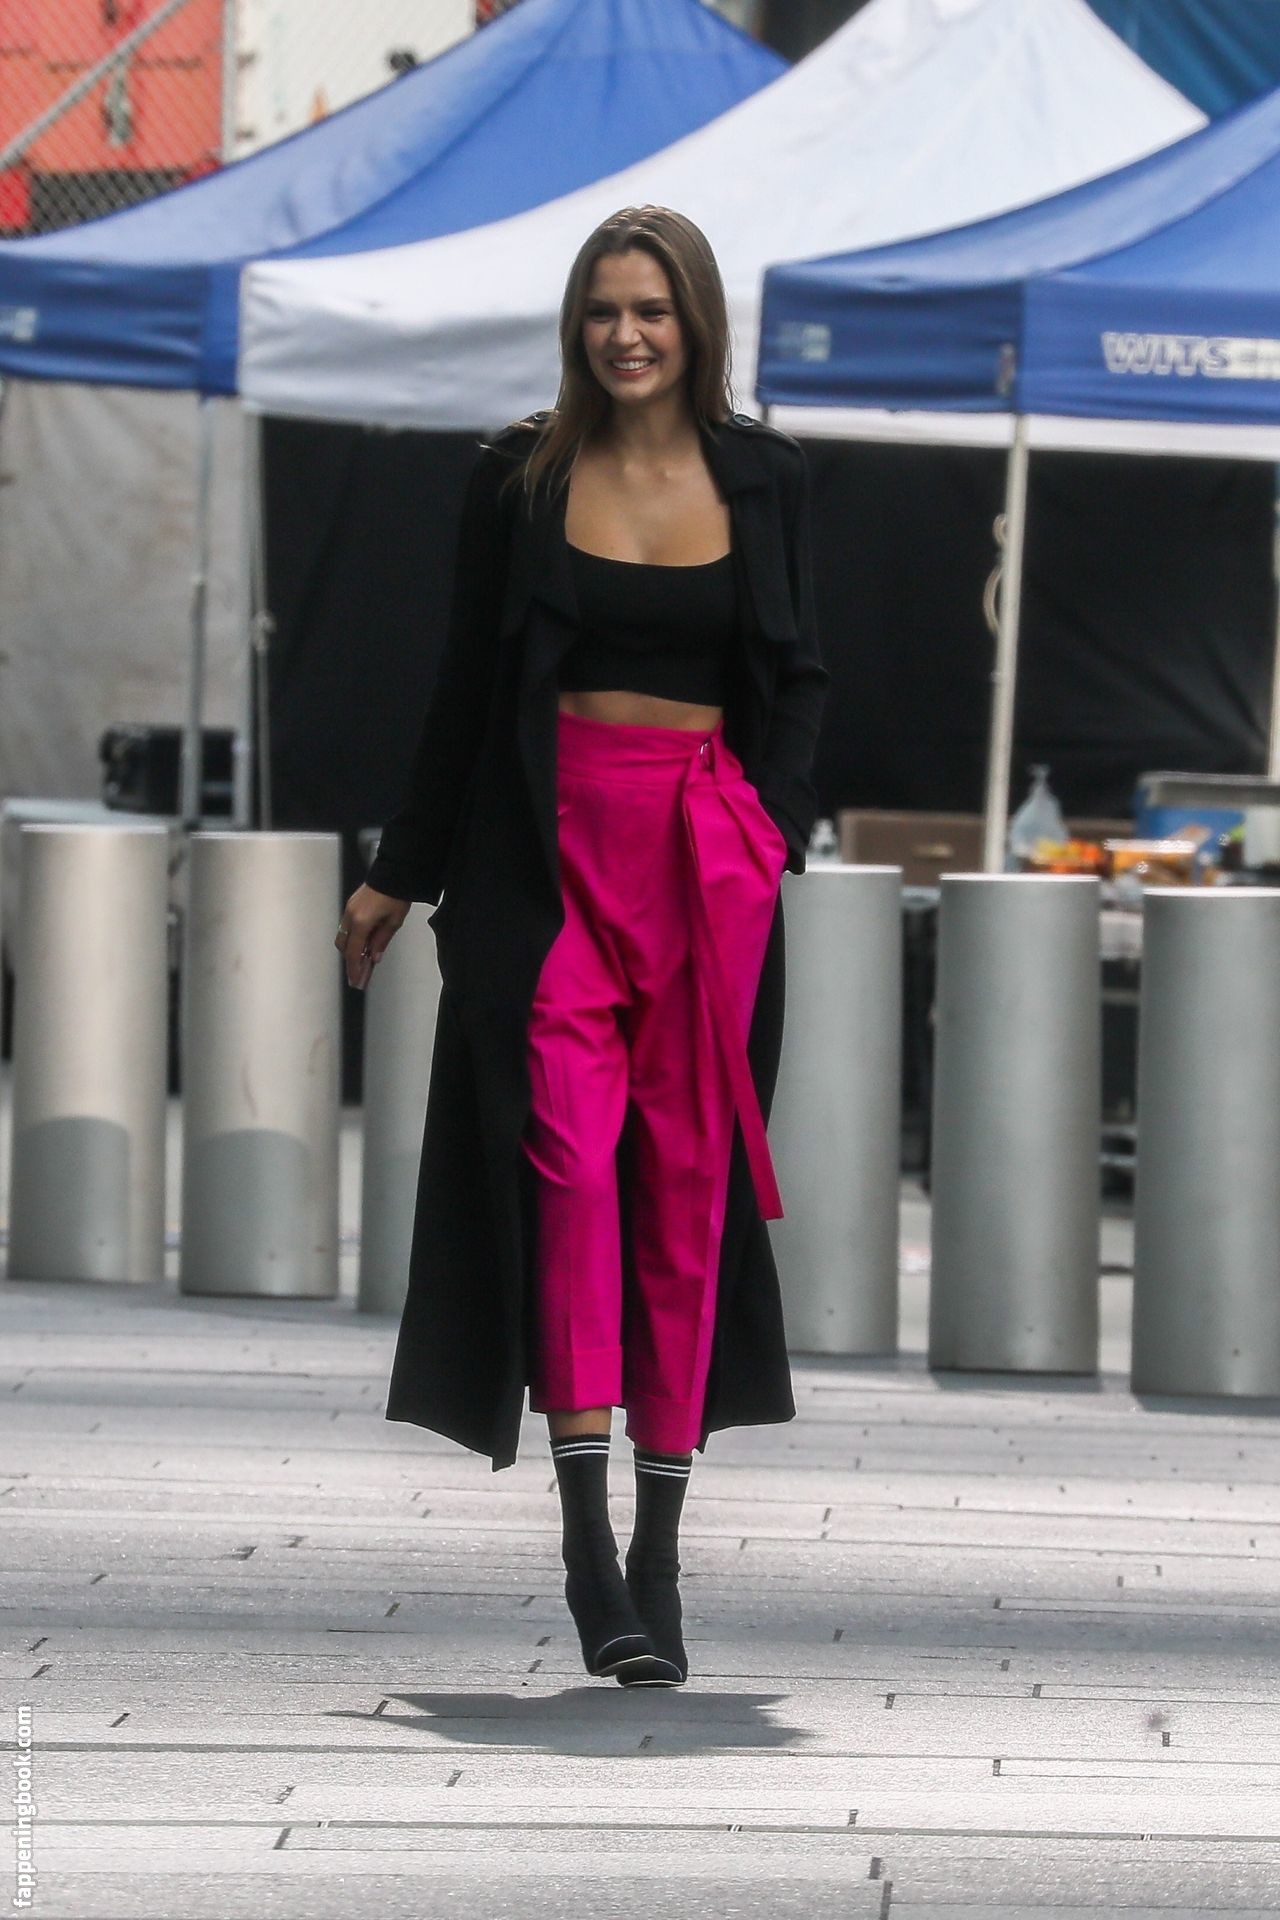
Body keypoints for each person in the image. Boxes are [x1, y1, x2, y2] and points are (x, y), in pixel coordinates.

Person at [336, 206, 828, 1689]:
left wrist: (765, 829)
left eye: (652, 311)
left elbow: (798, 675)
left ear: (696, 326)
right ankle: (587, 1551)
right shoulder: (518, 476)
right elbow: (461, 687)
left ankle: (661, 1558)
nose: (627, 335)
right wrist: (401, 872)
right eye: (604, 310)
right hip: (543, 864)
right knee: (565, 1172)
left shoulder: (766, 477)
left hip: (702, 861)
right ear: (576, 325)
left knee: (684, 1188)